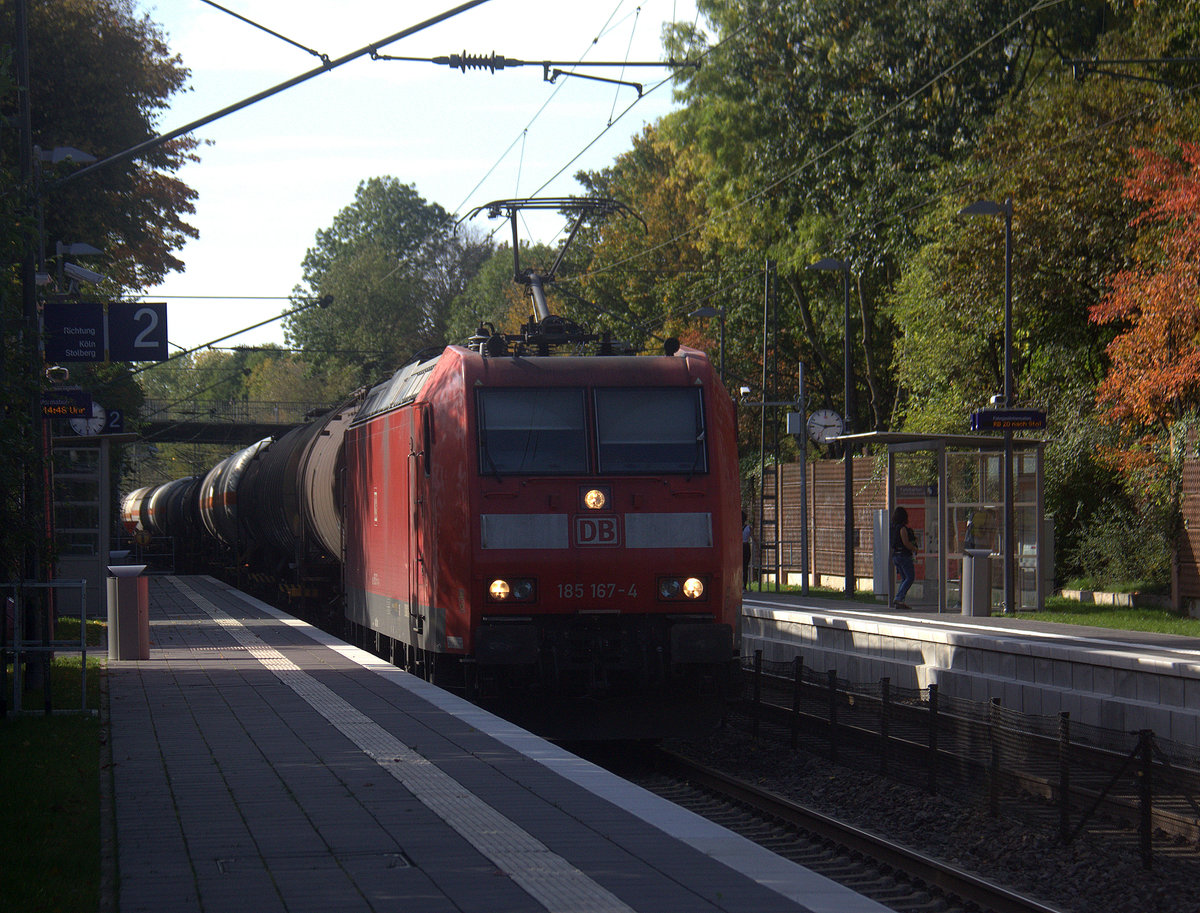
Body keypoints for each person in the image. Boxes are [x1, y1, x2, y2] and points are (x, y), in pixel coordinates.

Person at [890, 506, 918, 609]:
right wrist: (914, 548)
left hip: (896, 556)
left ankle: (900, 600)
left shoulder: (892, 528)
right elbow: (906, 542)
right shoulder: (902, 528)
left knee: (904, 578)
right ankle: (899, 598)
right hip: (903, 555)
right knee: (910, 577)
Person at [742, 512, 752, 590]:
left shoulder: (734, 527)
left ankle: (741, 585)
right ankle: (744, 586)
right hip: (746, 546)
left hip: (739, 546)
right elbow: (754, 538)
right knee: (745, 567)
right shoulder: (748, 528)